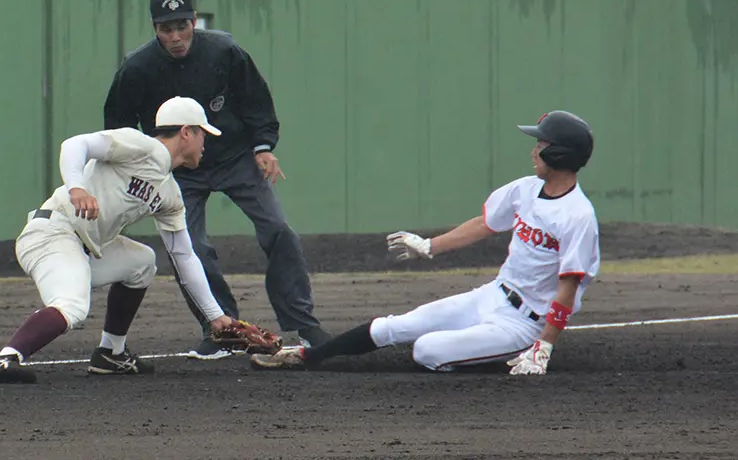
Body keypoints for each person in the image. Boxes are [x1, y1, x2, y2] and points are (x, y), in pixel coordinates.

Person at [250, 110, 599, 376]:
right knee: (396, 325)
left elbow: (568, 288)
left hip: (523, 323)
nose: (534, 151)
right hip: (492, 295)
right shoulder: (526, 189)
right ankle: (306, 356)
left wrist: (544, 346)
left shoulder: (577, 215)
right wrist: (429, 246)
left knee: (427, 351)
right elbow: (484, 224)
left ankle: (498, 351)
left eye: (542, 145)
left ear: (560, 154)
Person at [103, 0, 332, 360]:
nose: (176, 37)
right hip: (180, 170)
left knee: (278, 229)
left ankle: (303, 323)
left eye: (182, 26)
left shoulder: (224, 51)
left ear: (194, 22)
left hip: (235, 157)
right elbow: (119, 126)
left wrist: (263, 147)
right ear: (155, 29)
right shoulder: (137, 68)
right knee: (191, 248)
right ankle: (221, 329)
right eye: (166, 29)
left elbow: (256, 100)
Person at [0, 96, 236, 383]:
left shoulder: (170, 193)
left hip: (85, 247)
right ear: (186, 132)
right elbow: (75, 145)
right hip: (53, 233)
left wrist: (215, 316)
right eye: (202, 134)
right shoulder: (141, 146)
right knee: (72, 305)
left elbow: (184, 256)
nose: (205, 143)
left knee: (142, 262)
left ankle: (111, 352)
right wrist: (76, 188)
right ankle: (4, 359)